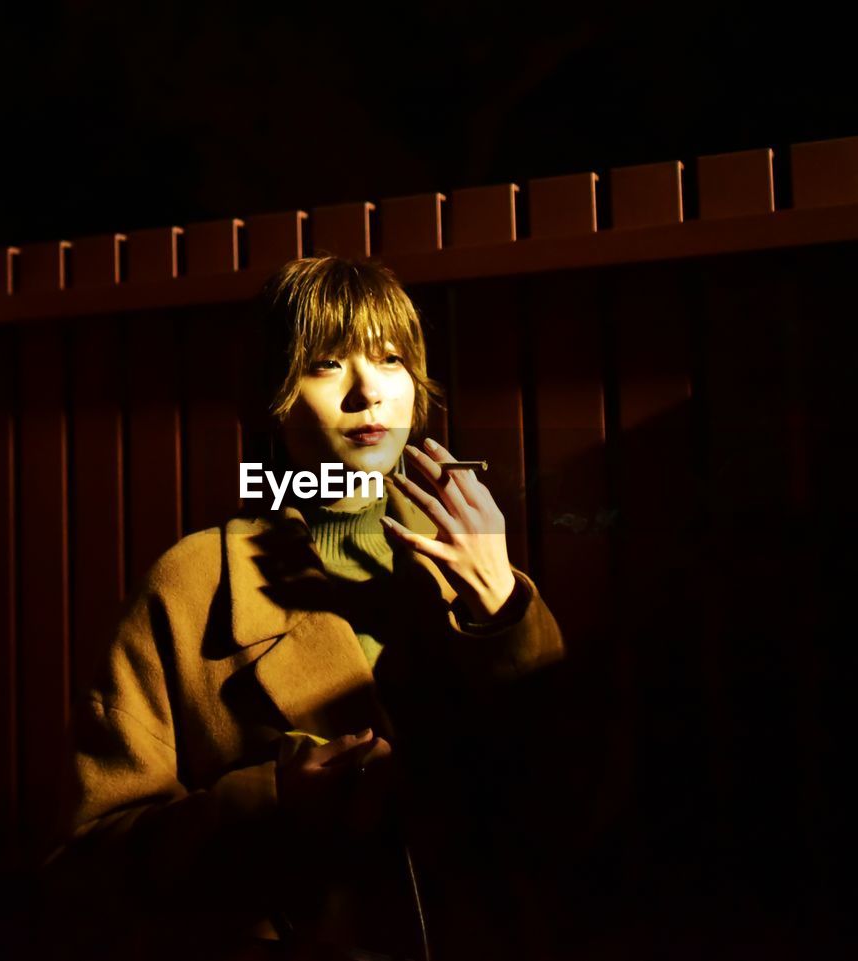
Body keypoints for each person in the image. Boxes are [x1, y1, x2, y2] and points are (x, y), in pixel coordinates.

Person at [42, 256, 566, 961]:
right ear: (273, 397)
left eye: (390, 359)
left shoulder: (468, 556)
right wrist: (265, 805)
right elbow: (88, 862)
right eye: (325, 364)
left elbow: (573, 802)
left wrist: (505, 610)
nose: (367, 393)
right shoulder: (192, 585)